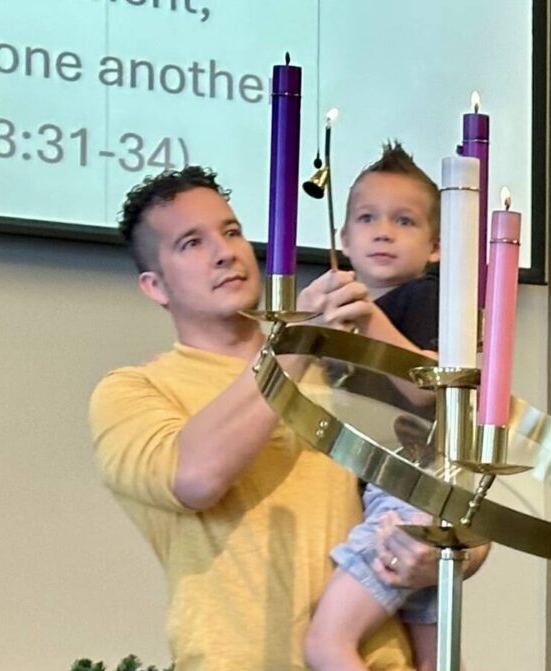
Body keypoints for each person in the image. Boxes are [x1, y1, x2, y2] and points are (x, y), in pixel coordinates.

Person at [88, 165, 441, 671]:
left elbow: (441, 491)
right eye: (191, 243)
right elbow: (197, 478)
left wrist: (444, 559)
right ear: (155, 286)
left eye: (231, 231)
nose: (225, 252)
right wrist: (293, 342)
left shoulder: (336, 366)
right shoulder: (132, 391)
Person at [304, 143, 489, 671]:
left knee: (326, 644)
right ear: (343, 239)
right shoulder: (336, 312)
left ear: (435, 247)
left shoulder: (425, 298)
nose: (382, 231)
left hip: (406, 495)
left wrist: (368, 324)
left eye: (403, 221)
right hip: (404, 494)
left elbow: (431, 389)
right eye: (367, 218)